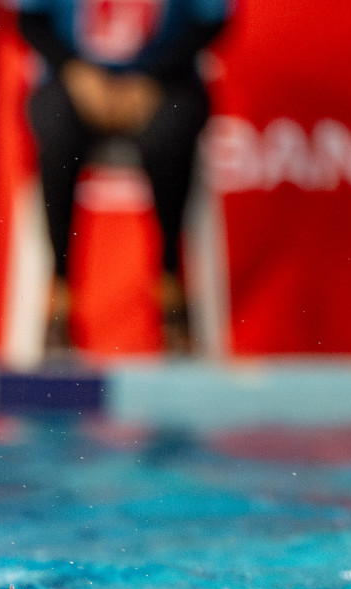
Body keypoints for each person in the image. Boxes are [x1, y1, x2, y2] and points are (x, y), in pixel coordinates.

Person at [16, 0, 230, 352]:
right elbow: (29, 18)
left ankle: (171, 283)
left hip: (164, 80)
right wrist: (75, 71)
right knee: (55, 131)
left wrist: (152, 77)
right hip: (74, 80)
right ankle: (59, 293)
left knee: (171, 135)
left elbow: (211, 21)